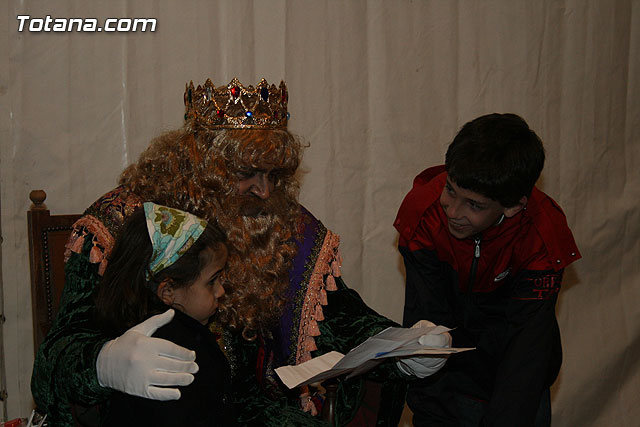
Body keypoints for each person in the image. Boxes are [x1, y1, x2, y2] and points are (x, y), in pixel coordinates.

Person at [31, 78, 449, 426]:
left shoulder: (281, 222)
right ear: (200, 165)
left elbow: (341, 316)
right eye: (247, 173)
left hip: (252, 408)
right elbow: (56, 359)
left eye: (274, 175)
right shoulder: (122, 223)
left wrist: (403, 346)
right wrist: (104, 363)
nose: (264, 191)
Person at [394, 113, 581, 426]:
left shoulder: (542, 235)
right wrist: (429, 413)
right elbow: (426, 323)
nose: (453, 211)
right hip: (449, 377)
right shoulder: (424, 213)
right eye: (450, 189)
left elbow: (527, 350)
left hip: (516, 380)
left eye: (474, 205)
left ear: (514, 206)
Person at [93, 202, 233, 426]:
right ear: (168, 291)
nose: (221, 291)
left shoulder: (139, 324)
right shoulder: (178, 349)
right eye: (212, 281)